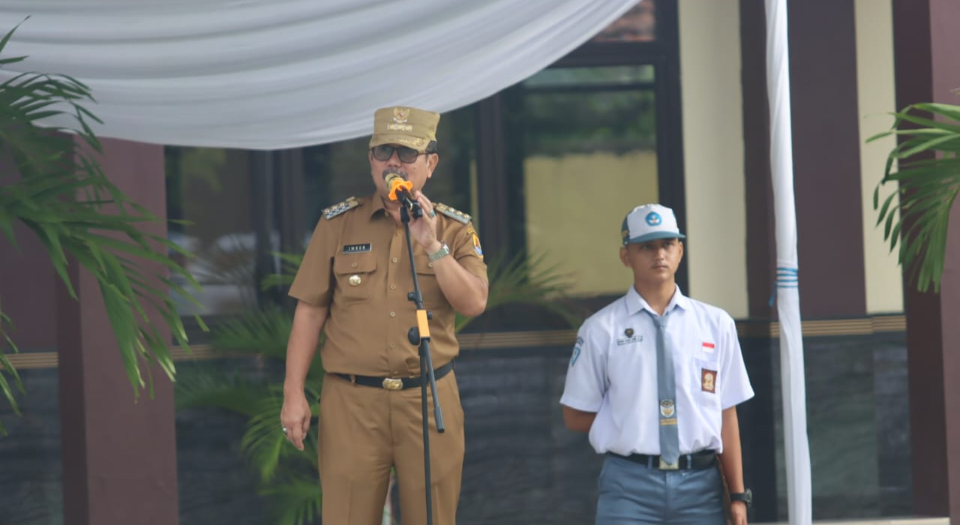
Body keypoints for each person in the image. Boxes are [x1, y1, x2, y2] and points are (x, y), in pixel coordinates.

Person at [280, 106, 489, 525]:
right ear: (370, 161)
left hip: (427, 397)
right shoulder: (338, 224)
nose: (393, 162)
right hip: (352, 401)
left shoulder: (453, 230)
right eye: (383, 151)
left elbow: (474, 303)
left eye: (406, 153)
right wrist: (293, 393)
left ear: (430, 163)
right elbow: (310, 311)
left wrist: (433, 246)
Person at [560, 203, 754, 525]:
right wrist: (628, 420)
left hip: (700, 486)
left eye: (667, 244)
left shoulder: (716, 324)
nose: (659, 254)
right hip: (629, 484)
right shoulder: (601, 329)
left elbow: (725, 413)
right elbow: (574, 414)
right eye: (646, 246)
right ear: (626, 257)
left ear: (680, 250)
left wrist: (737, 496)